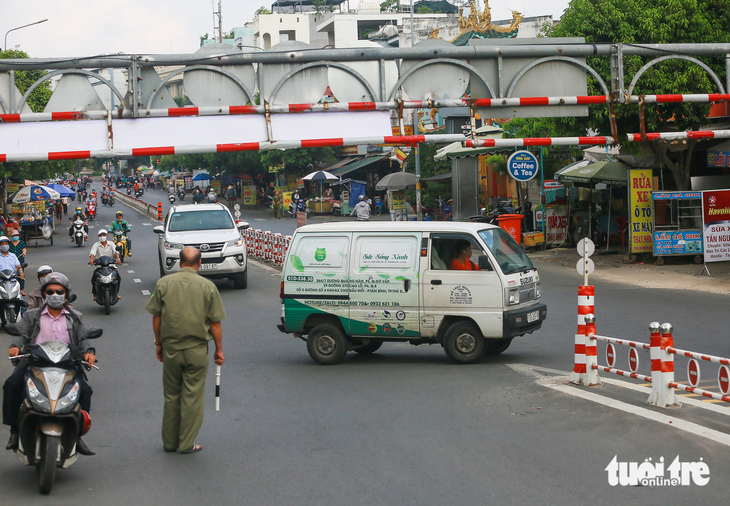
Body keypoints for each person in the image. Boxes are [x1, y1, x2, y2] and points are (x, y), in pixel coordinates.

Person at [3, 272, 97, 455]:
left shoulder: (75, 317)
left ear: (66, 294)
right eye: (51, 291)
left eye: (59, 291)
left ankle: (77, 436)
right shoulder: (31, 316)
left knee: (85, 391)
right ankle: (14, 431)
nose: (55, 295)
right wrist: (15, 347)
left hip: (67, 363)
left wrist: (89, 352)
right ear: (44, 294)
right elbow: (20, 335)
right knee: (11, 385)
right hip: (34, 361)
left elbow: (83, 338)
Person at [145, 247, 226, 454]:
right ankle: (187, 443)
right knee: (192, 396)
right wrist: (219, 350)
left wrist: (158, 343)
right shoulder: (208, 286)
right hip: (197, 350)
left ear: (179, 262)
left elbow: (157, 317)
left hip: (171, 349)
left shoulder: (163, 284)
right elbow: (215, 323)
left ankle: (170, 443)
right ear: (199, 264)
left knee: (172, 395)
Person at [89, 229, 122, 301]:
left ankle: (116, 293)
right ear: (98, 236)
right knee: (94, 279)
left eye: (104, 235)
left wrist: (118, 259)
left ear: (107, 236)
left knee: (118, 277)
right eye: (100, 235)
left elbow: (116, 252)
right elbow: (92, 253)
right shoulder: (96, 245)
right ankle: (95, 294)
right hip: (99, 267)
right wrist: (91, 260)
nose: (102, 236)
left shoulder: (111, 244)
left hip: (111, 266)